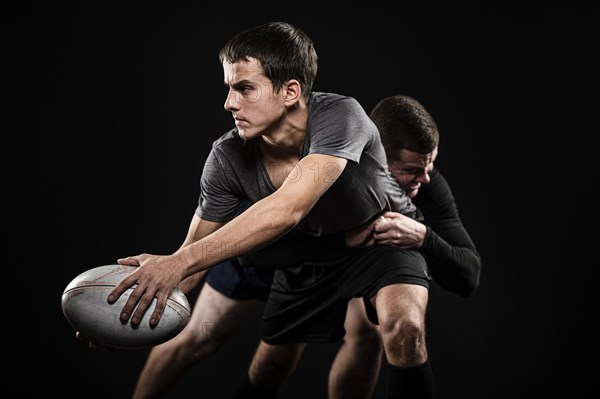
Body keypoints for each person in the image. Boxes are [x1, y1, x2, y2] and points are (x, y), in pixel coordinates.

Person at [104, 21, 437, 398]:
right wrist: (119, 318)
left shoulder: (340, 116)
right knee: (268, 364)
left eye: (245, 88)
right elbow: (189, 261)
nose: (229, 103)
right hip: (305, 254)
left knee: (401, 331)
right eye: (229, 88)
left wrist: (179, 263)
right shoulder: (226, 157)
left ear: (291, 91)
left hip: (375, 241)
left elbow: (287, 208)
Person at [129, 94, 481, 399]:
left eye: (428, 166)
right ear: (375, 159)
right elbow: (263, 240)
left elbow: (467, 273)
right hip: (276, 246)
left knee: (371, 334)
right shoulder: (329, 166)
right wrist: (125, 316)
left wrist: (421, 236)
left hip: (358, 257)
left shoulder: (425, 185)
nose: (424, 178)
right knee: (209, 339)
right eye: (410, 169)